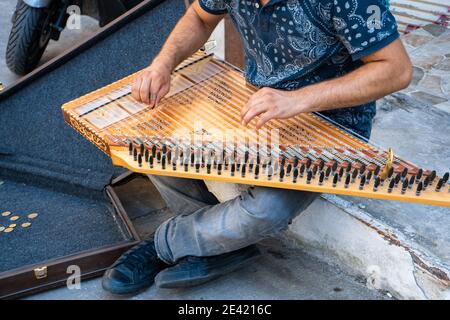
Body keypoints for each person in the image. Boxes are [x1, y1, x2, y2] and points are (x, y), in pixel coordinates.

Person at [102, 0, 412, 295]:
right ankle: (217, 247)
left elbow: (396, 70)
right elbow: (199, 17)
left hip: (330, 123)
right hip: (256, 107)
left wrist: (298, 99)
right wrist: (163, 64)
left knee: (268, 209)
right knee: (154, 142)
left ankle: (163, 243)